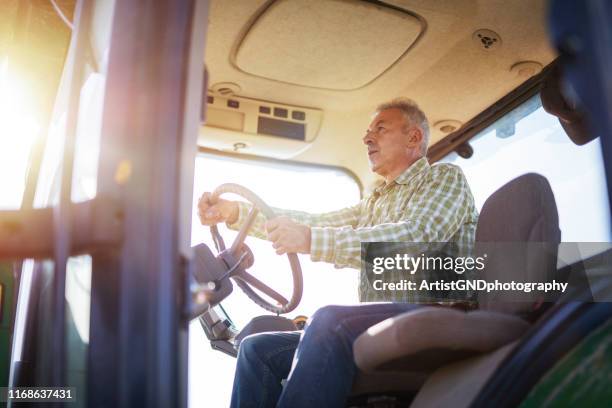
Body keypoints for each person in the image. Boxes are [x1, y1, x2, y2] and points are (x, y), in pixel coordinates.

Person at [198, 98, 479, 408]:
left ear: (414, 138)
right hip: (387, 326)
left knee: (330, 321)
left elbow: (418, 236)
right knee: (257, 349)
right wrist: (236, 212)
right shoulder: (374, 202)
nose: (367, 138)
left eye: (380, 129)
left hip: (442, 317)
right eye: (368, 131)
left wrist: (310, 240)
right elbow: (313, 222)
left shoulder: (444, 178)